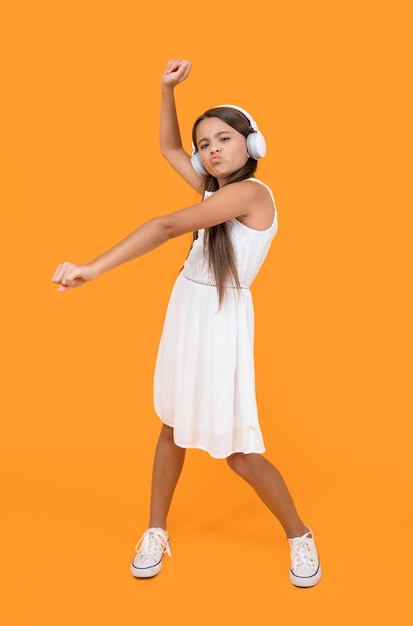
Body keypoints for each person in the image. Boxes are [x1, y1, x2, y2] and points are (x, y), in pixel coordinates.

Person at [52, 59, 321, 588]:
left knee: (239, 453)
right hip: (188, 310)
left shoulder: (250, 195)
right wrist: (165, 89)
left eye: (224, 138)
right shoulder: (213, 188)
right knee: (171, 426)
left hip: (221, 321)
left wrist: (94, 267)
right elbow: (168, 149)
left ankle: (300, 534)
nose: (211, 149)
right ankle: (156, 530)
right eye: (205, 143)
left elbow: (169, 225)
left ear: (253, 145)